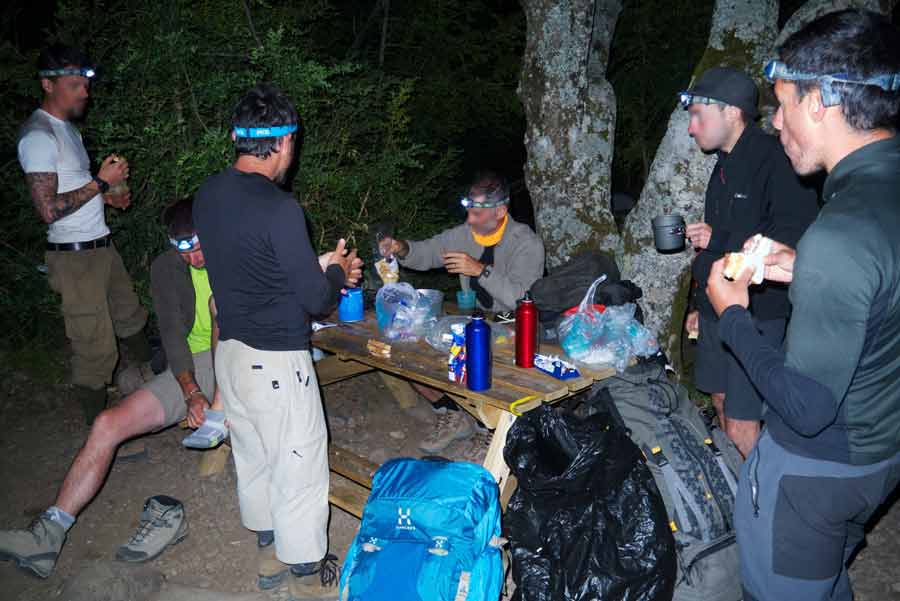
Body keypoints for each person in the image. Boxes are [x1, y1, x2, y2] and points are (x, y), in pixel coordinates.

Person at [705, 10, 900, 600]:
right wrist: (801, 267)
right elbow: (881, 292)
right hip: (880, 453)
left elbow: (805, 407)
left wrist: (732, 315)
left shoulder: (840, 232)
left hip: (813, 475)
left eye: (782, 103)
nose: (775, 120)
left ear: (819, 102)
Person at [192, 83, 362, 600]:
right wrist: (338, 271)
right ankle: (306, 577)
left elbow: (253, 268)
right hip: (277, 363)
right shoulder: (281, 209)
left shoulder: (207, 195)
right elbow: (315, 299)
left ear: (235, 138)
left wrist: (316, 265)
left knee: (255, 455)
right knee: (299, 467)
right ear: (285, 142)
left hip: (232, 355)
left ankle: (268, 553)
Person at [0, 197, 224, 578]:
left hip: (238, 351)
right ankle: (48, 535)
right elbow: (172, 335)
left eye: (199, 247)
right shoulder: (166, 268)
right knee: (107, 424)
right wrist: (191, 391)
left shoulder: (235, 253)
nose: (194, 258)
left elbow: (232, 322)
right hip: (194, 362)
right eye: (184, 250)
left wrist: (217, 393)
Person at [679, 66, 818, 458]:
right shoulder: (722, 167)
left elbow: (792, 240)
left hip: (757, 312)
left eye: (698, 115)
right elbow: (713, 249)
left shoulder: (776, 160)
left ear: (731, 111)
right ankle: (738, 483)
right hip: (716, 307)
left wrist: (720, 238)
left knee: (743, 421)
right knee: (721, 400)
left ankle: (758, 494)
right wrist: (699, 304)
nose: (691, 128)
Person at [17, 43, 152, 425]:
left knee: (131, 317)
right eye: (75, 85)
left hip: (101, 247)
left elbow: (72, 192)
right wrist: (100, 182)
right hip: (74, 259)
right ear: (48, 84)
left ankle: (159, 387)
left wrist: (108, 197)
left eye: (85, 85)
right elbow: (47, 210)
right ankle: (99, 435)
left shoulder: (68, 131)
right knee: (95, 351)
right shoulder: (38, 136)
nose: (84, 93)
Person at [379, 172, 545, 454]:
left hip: (515, 325)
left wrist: (480, 270)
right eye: (468, 211)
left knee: (483, 364)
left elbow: (522, 298)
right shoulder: (462, 235)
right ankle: (451, 411)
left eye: (477, 213)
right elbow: (427, 252)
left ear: (500, 211)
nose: (469, 219)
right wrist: (402, 248)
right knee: (410, 347)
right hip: (473, 318)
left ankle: (487, 427)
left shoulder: (526, 242)